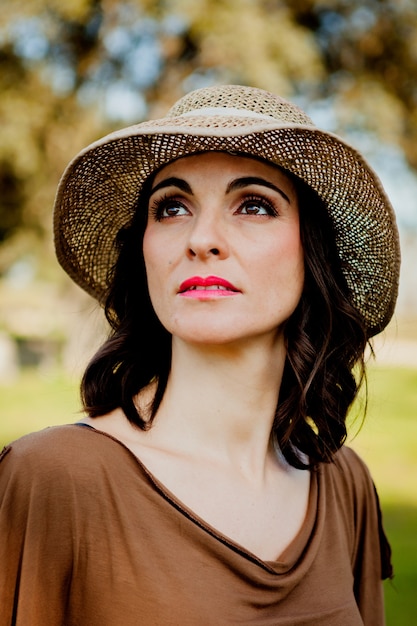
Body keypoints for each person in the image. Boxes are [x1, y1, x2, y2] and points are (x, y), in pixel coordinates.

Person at [0, 85, 400, 625]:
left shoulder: (344, 482)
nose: (201, 238)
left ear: (313, 251)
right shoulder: (52, 479)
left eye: (254, 205)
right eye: (172, 208)